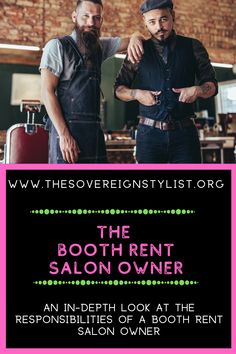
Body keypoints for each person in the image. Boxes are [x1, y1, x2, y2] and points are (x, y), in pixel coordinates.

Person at [40, 0, 144, 163]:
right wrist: (64, 135)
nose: (91, 23)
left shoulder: (100, 47)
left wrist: (137, 35)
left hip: (94, 133)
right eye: (86, 16)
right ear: (74, 17)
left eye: (96, 18)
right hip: (66, 134)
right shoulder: (57, 46)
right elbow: (47, 92)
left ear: (101, 21)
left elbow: (134, 38)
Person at [114, 0, 218, 164]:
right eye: (152, 22)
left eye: (163, 19)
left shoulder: (193, 46)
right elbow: (118, 89)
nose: (158, 27)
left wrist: (198, 90)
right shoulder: (138, 50)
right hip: (148, 137)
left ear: (173, 16)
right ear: (145, 23)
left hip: (185, 136)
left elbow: (212, 86)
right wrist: (136, 94)